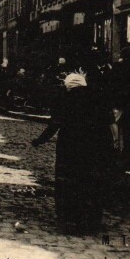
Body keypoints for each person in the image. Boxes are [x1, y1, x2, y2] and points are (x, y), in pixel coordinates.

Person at [32, 70, 114, 234]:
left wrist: (39, 141)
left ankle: (69, 220)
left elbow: (54, 124)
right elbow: (110, 124)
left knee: (69, 181)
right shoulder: (99, 98)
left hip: (71, 148)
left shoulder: (66, 99)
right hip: (96, 148)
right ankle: (91, 221)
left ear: (68, 86)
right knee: (92, 182)